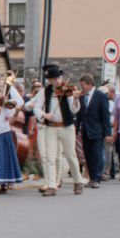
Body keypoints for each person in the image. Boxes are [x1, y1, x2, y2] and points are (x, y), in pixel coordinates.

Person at [32, 65, 84, 196]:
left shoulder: (68, 91)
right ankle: (51, 186)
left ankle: (78, 181)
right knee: (50, 157)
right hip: (51, 127)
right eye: (54, 79)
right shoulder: (45, 92)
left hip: (67, 127)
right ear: (50, 80)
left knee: (70, 155)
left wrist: (76, 100)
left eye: (59, 78)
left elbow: (74, 110)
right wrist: (44, 115)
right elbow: (36, 107)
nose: (58, 81)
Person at [76, 74, 111, 189]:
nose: (82, 87)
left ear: (90, 84)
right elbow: (79, 115)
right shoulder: (82, 97)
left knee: (96, 154)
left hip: (97, 131)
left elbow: (105, 115)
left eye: (83, 85)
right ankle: (91, 178)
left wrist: (108, 133)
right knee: (88, 155)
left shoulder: (100, 96)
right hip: (85, 131)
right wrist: (76, 130)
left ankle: (96, 179)